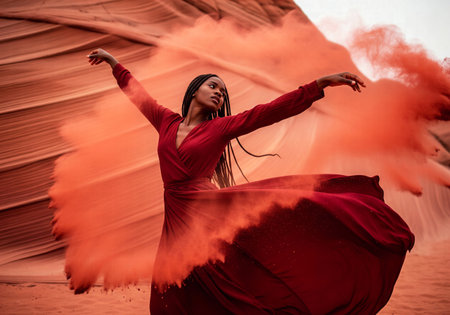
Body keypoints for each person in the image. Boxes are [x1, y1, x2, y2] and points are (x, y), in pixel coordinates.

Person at [83, 48, 414, 314]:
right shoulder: (166, 121)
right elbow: (138, 95)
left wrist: (319, 84)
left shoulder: (221, 127)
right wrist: (114, 63)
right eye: (212, 86)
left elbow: (269, 111)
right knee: (168, 297)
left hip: (206, 216)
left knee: (228, 290)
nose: (218, 93)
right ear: (194, 90)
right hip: (175, 219)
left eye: (222, 91)